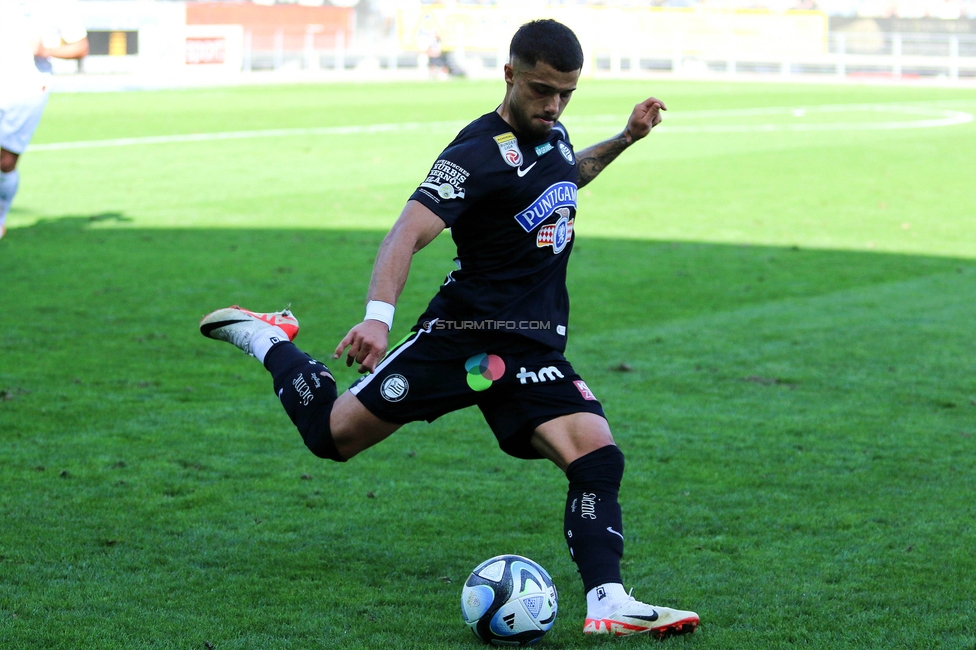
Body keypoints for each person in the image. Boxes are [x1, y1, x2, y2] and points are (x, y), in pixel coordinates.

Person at [200, 19, 699, 639]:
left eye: (566, 93)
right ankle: (269, 339)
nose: (554, 105)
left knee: (596, 456)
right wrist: (376, 320)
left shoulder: (554, 133)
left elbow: (568, 174)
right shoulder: (472, 155)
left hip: (530, 347)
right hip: (462, 340)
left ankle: (608, 600)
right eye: (542, 90)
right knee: (333, 437)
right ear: (510, 74)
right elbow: (406, 233)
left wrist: (626, 137)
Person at [0, 0, 89, 239]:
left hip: (29, 89)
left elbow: (80, 47)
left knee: (5, 162)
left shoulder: (59, 5)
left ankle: (0, 217)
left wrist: (46, 51)